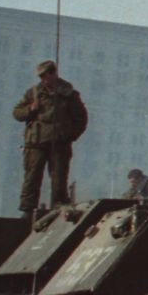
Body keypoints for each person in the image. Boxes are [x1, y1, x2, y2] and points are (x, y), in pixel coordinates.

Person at [13, 59, 88, 217]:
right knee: (32, 176)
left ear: (53, 73)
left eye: (46, 75)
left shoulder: (68, 94)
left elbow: (81, 118)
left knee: (59, 177)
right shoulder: (33, 93)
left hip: (59, 142)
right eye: (41, 77)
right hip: (36, 142)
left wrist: (69, 135)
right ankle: (27, 209)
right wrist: (30, 109)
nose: (43, 80)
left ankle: (59, 206)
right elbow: (17, 113)